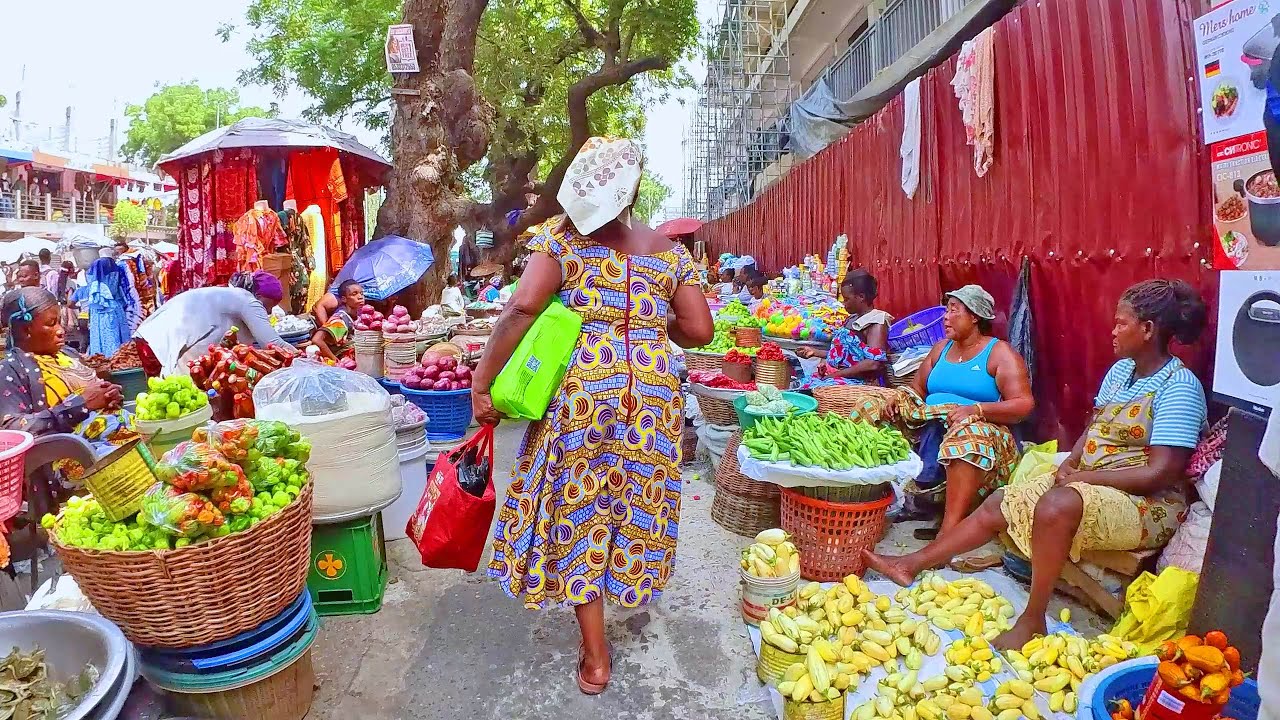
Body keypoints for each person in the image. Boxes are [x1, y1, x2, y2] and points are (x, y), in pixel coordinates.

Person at [473, 137, 714, 695]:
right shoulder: (670, 253)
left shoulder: (561, 240)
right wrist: (651, 326)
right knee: (632, 505)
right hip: (652, 399)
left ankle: (596, 656)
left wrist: (482, 381)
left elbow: (521, 308)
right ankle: (621, 597)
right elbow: (700, 331)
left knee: (582, 508)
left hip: (584, 395)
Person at [866, 279, 1209, 647]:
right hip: (1092, 482)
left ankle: (1032, 620)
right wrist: (1071, 461)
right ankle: (911, 564)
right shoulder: (1120, 374)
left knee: (1055, 506)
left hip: (1146, 505)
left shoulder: (1179, 386)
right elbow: (1094, 429)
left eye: (1121, 323)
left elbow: (1160, 472)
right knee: (1003, 501)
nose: (1112, 331)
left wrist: (1088, 476)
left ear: (1147, 330)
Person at [901, 285, 1034, 536]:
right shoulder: (941, 349)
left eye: (953, 311)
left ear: (974, 316)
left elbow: (1023, 404)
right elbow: (916, 389)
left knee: (965, 437)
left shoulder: (998, 352)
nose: (945, 317)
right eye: (946, 311)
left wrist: (977, 409)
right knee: (873, 408)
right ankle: (895, 501)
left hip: (984, 435)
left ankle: (950, 529)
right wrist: (899, 402)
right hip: (933, 426)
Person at [0, 287, 135, 488]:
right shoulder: (11, 370)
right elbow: (11, 429)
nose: (61, 330)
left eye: (60, 322)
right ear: (25, 330)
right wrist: (78, 406)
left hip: (116, 438)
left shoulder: (68, 354)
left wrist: (108, 395)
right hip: (75, 461)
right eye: (51, 324)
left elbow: (92, 392)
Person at [137, 271, 290, 375]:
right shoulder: (248, 300)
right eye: (269, 306)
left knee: (162, 401)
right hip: (163, 345)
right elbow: (272, 344)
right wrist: (304, 357)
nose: (268, 313)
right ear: (259, 295)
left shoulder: (227, 295)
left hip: (149, 338)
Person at [797, 269, 893, 387]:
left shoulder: (876, 321)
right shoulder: (852, 318)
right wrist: (815, 353)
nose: (843, 303)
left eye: (846, 299)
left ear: (861, 297)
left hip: (859, 384)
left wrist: (835, 375)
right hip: (841, 377)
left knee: (815, 390)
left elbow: (873, 363)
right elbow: (846, 354)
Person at [73, 258, 138, 358]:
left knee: (100, 336)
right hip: (115, 309)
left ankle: (103, 358)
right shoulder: (116, 274)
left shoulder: (93, 284)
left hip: (98, 312)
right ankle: (117, 358)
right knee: (115, 336)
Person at [311, 280, 364, 362]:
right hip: (345, 363)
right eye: (354, 294)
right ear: (344, 299)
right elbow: (317, 339)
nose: (360, 297)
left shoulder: (358, 315)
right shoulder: (340, 320)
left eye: (361, 293)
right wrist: (334, 359)